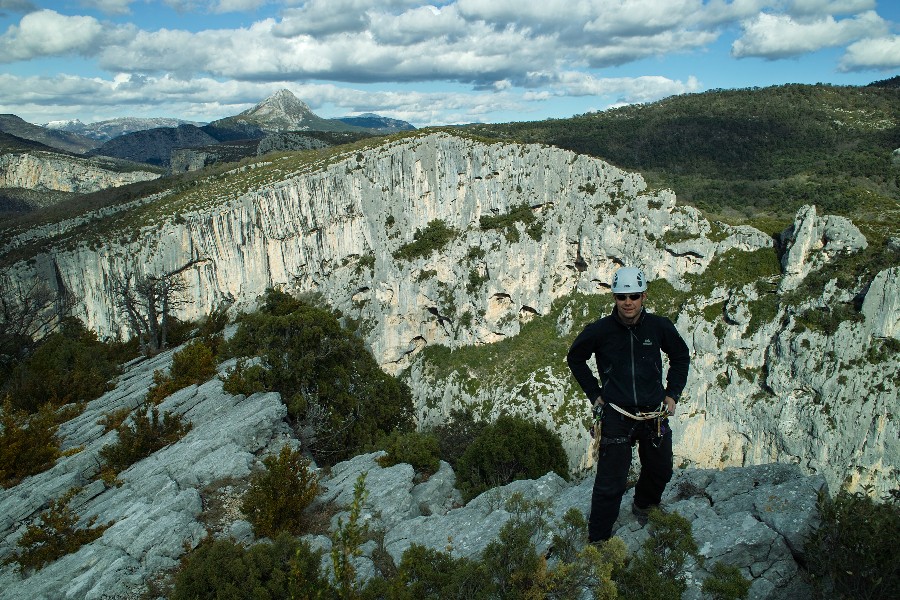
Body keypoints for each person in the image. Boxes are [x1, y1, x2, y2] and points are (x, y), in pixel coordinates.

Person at [566, 266, 690, 543]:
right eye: (622, 297)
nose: (628, 302)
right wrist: (593, 393)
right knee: (610, 484)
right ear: (614, 298)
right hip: (617, 415)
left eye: (634, 296)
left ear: (644, 296)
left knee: (660, 470)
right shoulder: (600, 331)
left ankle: (644, 505)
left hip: (652, 414)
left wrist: (672, 394)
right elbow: (575, 358)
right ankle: (598, 539)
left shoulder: (659, 327)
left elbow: (681, 355)